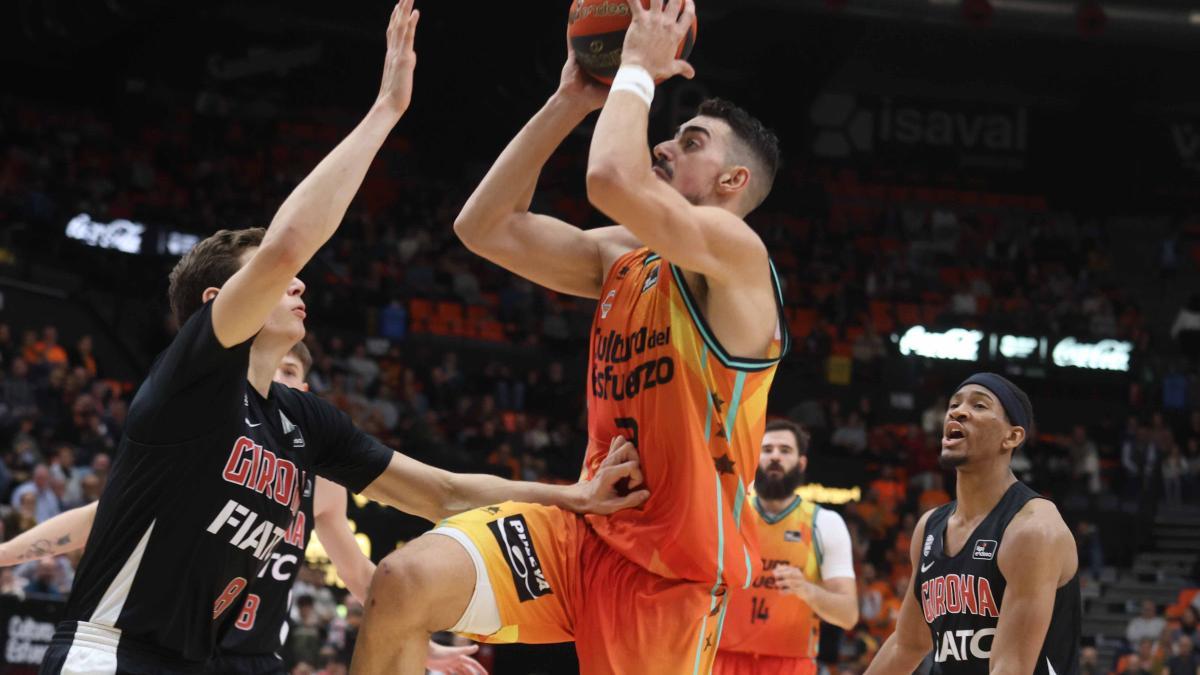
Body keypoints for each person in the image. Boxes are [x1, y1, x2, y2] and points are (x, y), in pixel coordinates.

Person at [38, 4, 642, 672]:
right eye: (275, 280)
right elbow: (288, 245)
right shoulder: (194, 379)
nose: (299, 285)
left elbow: (440, 492)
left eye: (295, 279)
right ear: (219, 302)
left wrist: (573, 496)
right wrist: (386, 109)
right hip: (121, 651)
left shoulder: (303, 422)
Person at [353, 1, 789, 672]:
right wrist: (568, 100)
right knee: (402, 582)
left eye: (693, 142)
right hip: (580, 529)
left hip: (673, 573)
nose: (664, 144)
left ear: (734, 182)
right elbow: (484, 227)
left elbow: (611, 178)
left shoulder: (738, 256)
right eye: (673, 135)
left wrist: (639, 70)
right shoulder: (623, 255)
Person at [1, 343, 485, 675]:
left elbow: (359, 572)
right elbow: (100, 514)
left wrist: (422, 647)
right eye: (272, 368)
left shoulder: (323, 475)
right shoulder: (219, 442)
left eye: (292, 373)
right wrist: (6, 555)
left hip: (258, 656)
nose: (280, 378)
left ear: (308, 390)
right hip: (187, 650)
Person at [864, 373, 1080, 674]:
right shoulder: (930, 528)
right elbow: (907, 644)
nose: (958, 411)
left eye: (979, 405)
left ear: (1012, 436)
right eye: (954, 404)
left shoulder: (1032, 529)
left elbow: (1011, 667)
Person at [714, 419, 857, 675]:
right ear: (755, 459)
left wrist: (807, 590)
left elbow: (848, 614)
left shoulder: (825, 523)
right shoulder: (729, 515)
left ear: (801, 463)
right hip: (721, 658)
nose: (775, 457)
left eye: (785, 450)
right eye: (767, 450)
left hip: (790, 664)